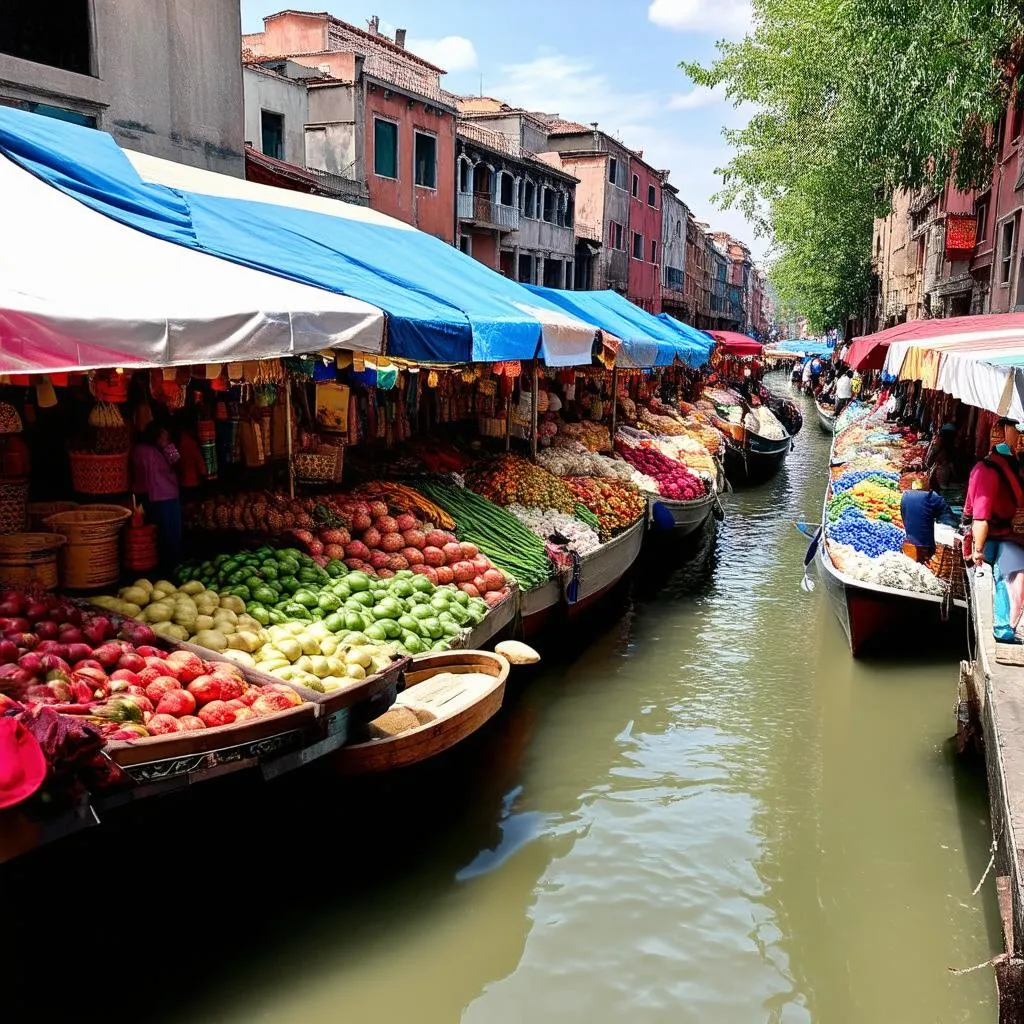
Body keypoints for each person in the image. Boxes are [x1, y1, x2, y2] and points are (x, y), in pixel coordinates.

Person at [965, 418, 1024, 643]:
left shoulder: (996, 467)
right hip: (997, 537)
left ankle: (1004, 626)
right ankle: (1003, 628)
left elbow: (980, 515)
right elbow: (980, 517)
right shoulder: (989, 470)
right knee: (1006, 577)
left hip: (1004, 534)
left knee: (1006, 578)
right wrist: (978, 549)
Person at [131, 421, 182, 575]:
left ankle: (159, 569)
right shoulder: (164, 449)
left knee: (154, 536)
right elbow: (177, 462)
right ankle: (172, 569)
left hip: (147, 497)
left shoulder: (137, 450)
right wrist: (166, 444)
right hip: (165, 498)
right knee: (170, 536)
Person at [900, 480, 950, 562]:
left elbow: (903, 515)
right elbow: (947, 518)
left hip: (909, 540)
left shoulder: (905, 496)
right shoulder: (932, 496)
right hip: (925, 544)